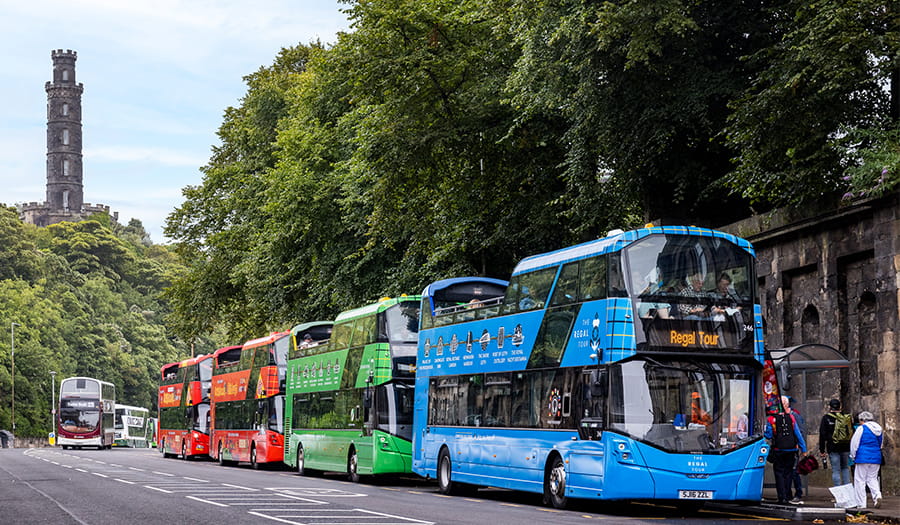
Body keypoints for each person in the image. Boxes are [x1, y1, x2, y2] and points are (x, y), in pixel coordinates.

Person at [765, 399, 807, 505]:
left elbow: (769, 435)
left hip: (779, 449)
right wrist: (804, 449)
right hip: (791, 449)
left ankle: (782, 497)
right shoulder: (791, 417)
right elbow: (797, 434)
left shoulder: (771, 419)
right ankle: (788, 495)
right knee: (788, 473)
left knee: (779, 472)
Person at [850, 411, 883, 509]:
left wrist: (853, 456)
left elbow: (854, 443)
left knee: (860, 480)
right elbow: (880, 444)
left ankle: (861, 503)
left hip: (862, 457)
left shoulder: (861, 428)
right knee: (872, 478)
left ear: (862, 420)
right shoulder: (879, 429)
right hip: (876, 457)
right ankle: (877, 496)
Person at [818, 399, 852, 486]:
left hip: (833, 447)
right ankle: (847, 493)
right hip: (845, 446)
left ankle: (839, 495)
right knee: (845, 468)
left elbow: (822, 435)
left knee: (836, 470)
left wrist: (822, 450)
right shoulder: (846, 417)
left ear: (830, 407)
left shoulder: (826, 418)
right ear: (840, 406)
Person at [783, 396, 806, 503]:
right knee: (787, 472)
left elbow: (800, 431)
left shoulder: (794, 416)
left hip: (793, 448)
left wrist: (801, 447)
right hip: (785, 447)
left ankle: (798, 493)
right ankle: (787, 494)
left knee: (794, 472)